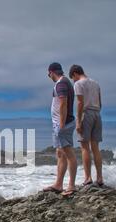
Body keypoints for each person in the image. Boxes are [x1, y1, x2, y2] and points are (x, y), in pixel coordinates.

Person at [43, 62, 77, 196]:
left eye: (48, 73)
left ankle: (72, 186)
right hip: (60, 123)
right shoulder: (64, 82)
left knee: (68, 153)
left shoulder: (62, 83)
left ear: (51, 72)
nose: (48, 75)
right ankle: (58, 184)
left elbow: (63, 102)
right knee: (60, 153)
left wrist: (61, 124)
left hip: (63, 124)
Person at [69, 64, 104, 187]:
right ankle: (99, 177)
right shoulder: (96, 83)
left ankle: (88, 177)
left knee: (85, 147)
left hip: (86, 113)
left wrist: (78, 121)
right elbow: (100, 103)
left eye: (72, 78)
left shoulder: (78, 84)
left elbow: (80, 103)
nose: (73, 80)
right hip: (97, 114)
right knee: (95, 148)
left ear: (75, 74)